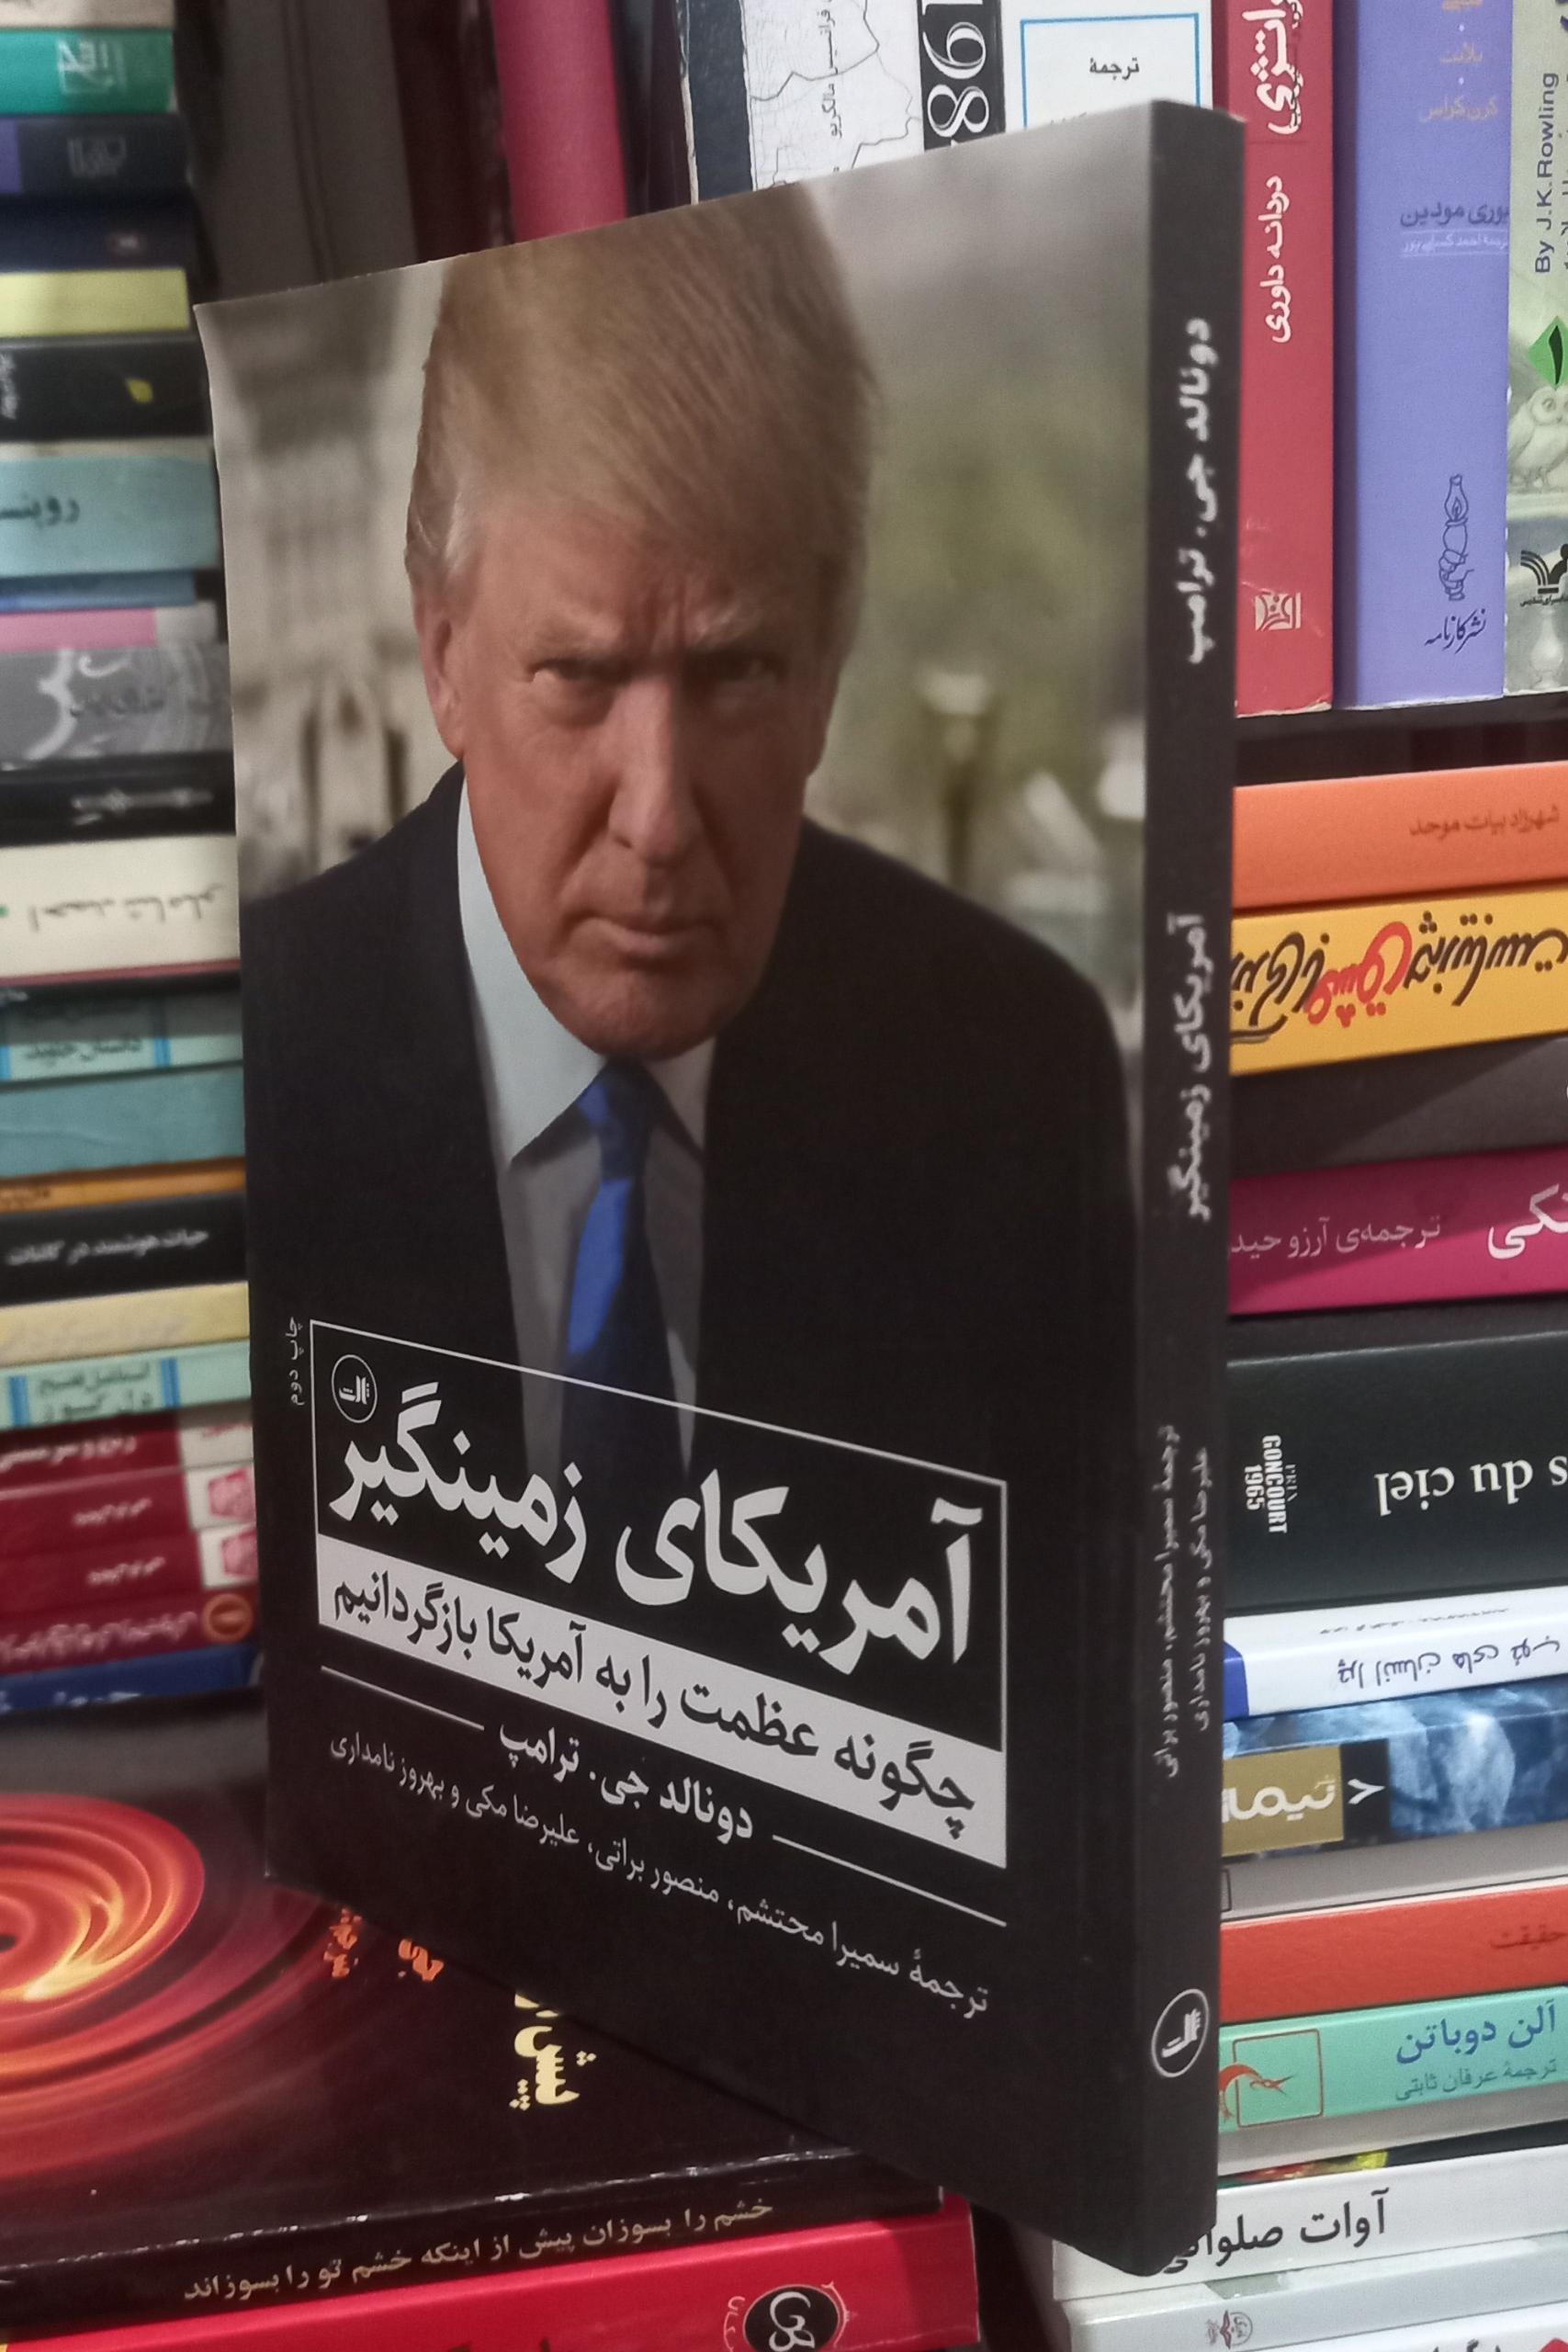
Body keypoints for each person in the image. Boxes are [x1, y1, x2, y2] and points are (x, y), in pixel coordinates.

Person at [242, 187, 1134, 1541]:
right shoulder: (250, 1069)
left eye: (736, 673)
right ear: (444, 657)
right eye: (581, 677)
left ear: (829, 661)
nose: (658, 819)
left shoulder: (1013, 1081)